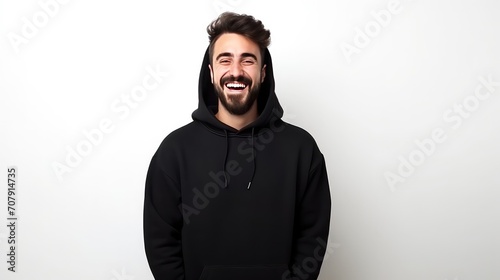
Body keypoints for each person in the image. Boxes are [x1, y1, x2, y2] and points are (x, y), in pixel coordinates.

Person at [143, 12, 331, 280]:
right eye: (225, 60)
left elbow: (313, 238)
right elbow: (160, 241)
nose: (236, 71)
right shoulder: (175, 151)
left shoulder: (301, 149)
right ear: (211, 72)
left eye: (248, 60)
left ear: (263, 72)